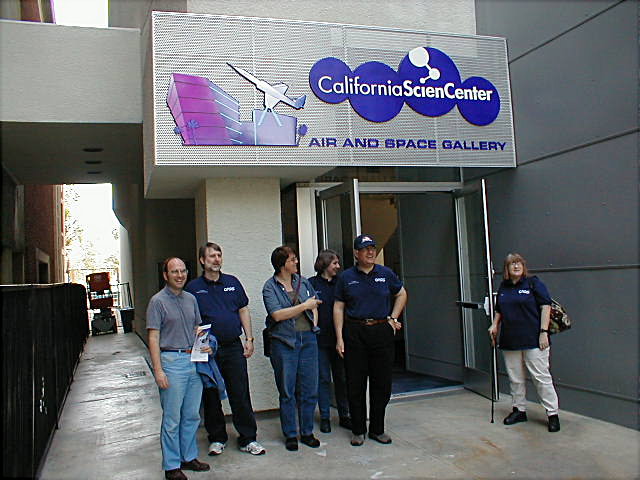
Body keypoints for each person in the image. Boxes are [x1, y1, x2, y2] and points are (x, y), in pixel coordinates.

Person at [185, 242, 266, 457]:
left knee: (240, 393)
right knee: (211, 394)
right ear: (202, 260)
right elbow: (192, 320)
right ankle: (217, 438)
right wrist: (202, 345)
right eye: (211, 256)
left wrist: (249, 339)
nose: (216, 259)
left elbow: (243, 310)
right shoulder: (193, 288)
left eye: (219, 255)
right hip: (206, 348)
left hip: (232, 346)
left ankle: (248, 438)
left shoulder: (232, 283)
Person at [334, 234, 407, 447]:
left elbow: (401, 294)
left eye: (373, 248)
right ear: (356, 253)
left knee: (381, 383)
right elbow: (338, 307)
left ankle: (377, 429)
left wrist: (393, 318)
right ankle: (358, 430)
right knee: (355, 384)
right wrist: (339, 337)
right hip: (355, 331)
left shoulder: (386, 274)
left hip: (381, 331)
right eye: (365, 249)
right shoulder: (346, 277)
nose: (370, 252)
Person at [147, 257, 211, 480]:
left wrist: (206, 347)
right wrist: (158, 370)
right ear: (165, 275)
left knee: (192, 415)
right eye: (174, 271)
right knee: (172, 418)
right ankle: (172, 465)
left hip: (193, 361)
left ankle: (188, 456)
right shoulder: (157, 302)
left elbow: (197, 328)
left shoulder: (191, 299)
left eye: (183, 271)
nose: (180, 275)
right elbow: (153, 337)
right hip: (171, 363)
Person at [488, 252, 561, 433]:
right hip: (510, 340)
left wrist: (543, 332)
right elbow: (499, 309)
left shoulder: (533, 283)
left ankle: (552, 414)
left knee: (541, 377)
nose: (516, 266)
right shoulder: (504, 287)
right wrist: (494, 324)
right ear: (507, 268)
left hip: (534, 339)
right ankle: (519, 410)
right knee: (515, 377)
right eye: (512, 264)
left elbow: (545, 306)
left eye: (519, 263)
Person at [262, 246, 322, 451]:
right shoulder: (270, 287)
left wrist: (314, 323)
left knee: (309, 389)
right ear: (282, 265)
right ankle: (290, 434)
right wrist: (304, 307)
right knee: (287, 390)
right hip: (284, 342)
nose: (296, 262)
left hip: (308, 341)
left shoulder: (303, 282)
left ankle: (307, 432)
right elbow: (277, 315)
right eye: (292, 260)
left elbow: (314, 304)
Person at [308, 249, 351, 433]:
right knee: (323, 378)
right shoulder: (310, 284)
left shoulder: (341, 283)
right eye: (334, 263)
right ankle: (325, 416)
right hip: (320, 340)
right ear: (325, 264)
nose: (338, 267)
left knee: (342, 378)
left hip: (340, 339)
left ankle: (344, 415)